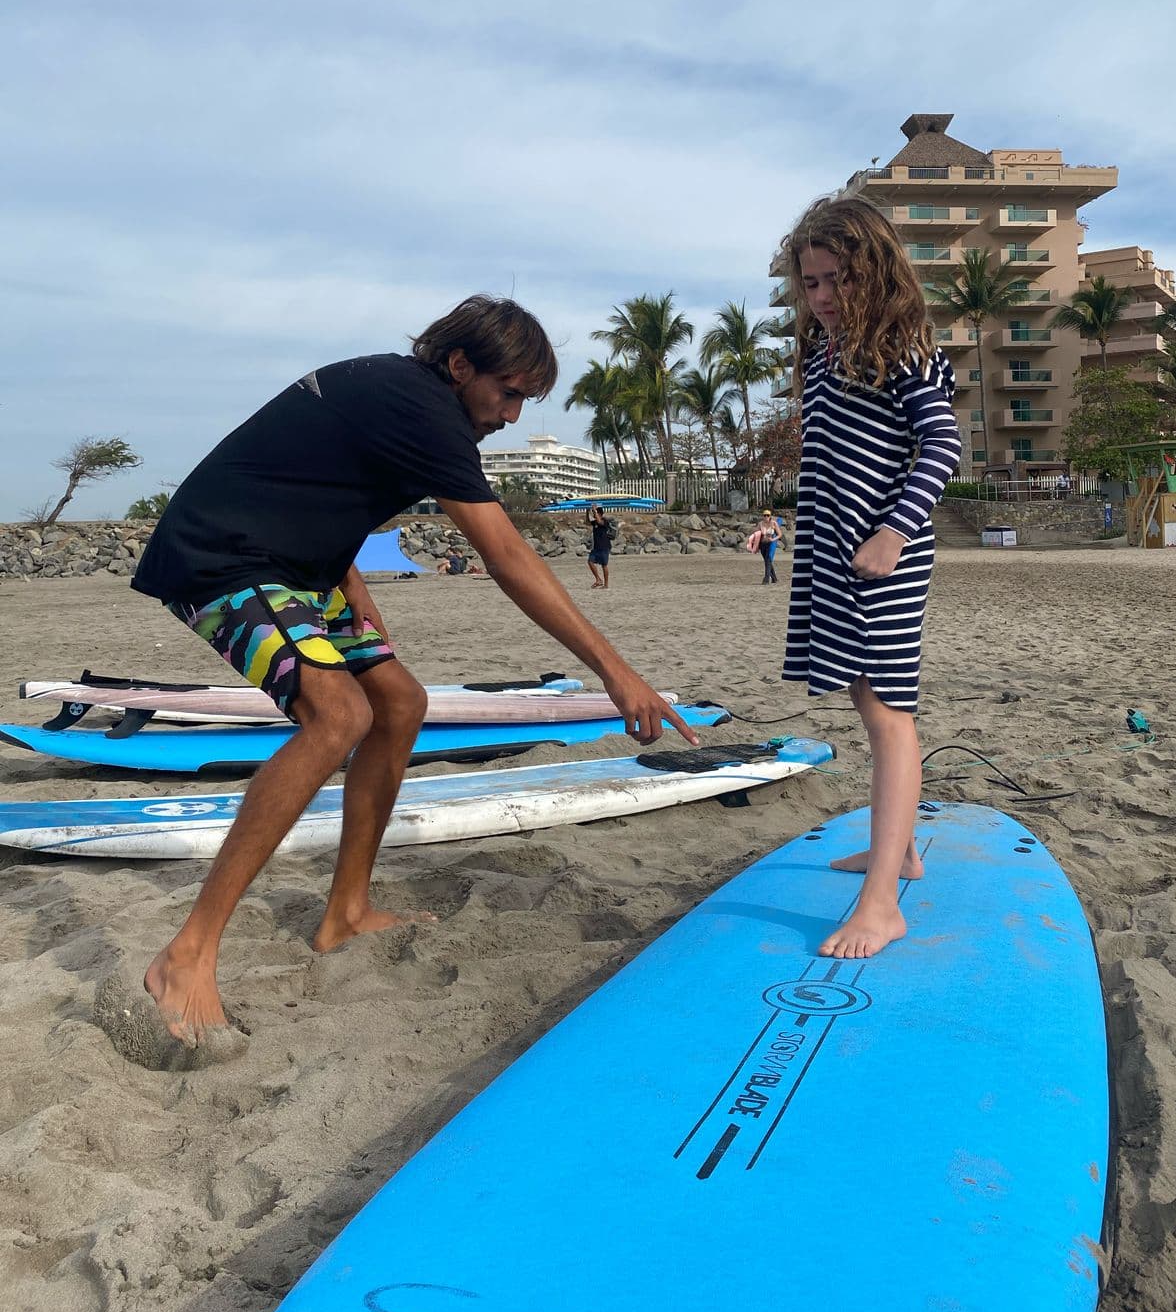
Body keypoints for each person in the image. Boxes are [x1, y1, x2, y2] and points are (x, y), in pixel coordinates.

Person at [130, 296, 699, 1051]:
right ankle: (187, 954)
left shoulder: (408, 402)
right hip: (221, 558)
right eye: (508, 393)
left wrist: (356, 607)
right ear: (460, 366)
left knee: (399, 702)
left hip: (305, 569)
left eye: (527, 399)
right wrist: (615, 674)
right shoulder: (423, 406)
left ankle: (347, 913)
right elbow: (507, 556)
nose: (513, 416)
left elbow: (331, 495)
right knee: (339, 717)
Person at [777, 195, 961, 961]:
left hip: (884, 553)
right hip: (835, 550)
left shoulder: (904, 348)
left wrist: (892, 531)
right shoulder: (823, 352)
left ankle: (883, 902)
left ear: (876, 274)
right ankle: (904, 854)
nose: (822, 297)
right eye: (811, 282)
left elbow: (944, 446)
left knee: (889, 714)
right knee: (863, 695)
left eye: (837, 280)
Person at [586, 503, 614, 589]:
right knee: (590, 562)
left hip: (604, 546)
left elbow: (599, 521)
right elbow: (587, 522)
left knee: (604, 565)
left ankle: (606, 584)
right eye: (594, 514)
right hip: (596, 547)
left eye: (596, 513)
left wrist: (595, 510)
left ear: (600, 514)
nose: (594, 515)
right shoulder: (594, 522)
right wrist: (587, 511)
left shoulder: (605, 521)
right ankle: (598, 579)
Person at [756, 509, 782, 584]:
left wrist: (773, 539)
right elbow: (756, 534)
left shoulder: (774, 523)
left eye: (768, 515)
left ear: (770, 516)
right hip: (762, 544)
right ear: (763, 516)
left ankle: (766, 579)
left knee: (768, 560)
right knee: (767, 561)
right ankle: (774, 578)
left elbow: (780, 534)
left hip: (770, 543)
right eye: (765, 515)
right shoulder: (760, 524)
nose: (766, 517)